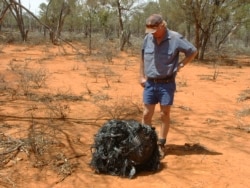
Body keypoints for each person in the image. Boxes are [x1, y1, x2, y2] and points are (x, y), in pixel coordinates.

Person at [140, 14, 197, 158]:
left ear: (162, 26)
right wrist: (141, 75)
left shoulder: (175, 38)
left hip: (167, 83)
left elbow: (193, 51)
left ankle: (161, 143)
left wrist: (181, 64)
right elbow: (142, 56)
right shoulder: (148, 38)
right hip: (150, 83)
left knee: (164, 113)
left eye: (154, 30)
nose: (151, 34)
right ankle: (146, 142)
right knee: (146, 114)